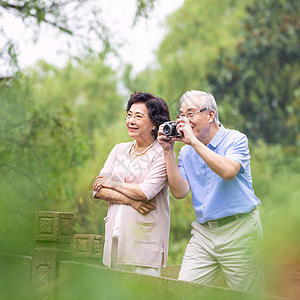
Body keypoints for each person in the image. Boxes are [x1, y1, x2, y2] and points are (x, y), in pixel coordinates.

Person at [157, 90, 264, 292]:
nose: (184, 120)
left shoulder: (235, 139)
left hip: (239, 230)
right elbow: (179, 192)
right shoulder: (186, 151)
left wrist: (194, 142)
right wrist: (168, 151)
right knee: (183, 292)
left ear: (210, 115)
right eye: (181, 115)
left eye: (191, 114)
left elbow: (228, 171)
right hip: (204, 233)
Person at [93, 91, 171, 276]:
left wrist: (112, 183)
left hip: (145, 245)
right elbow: (98, 190)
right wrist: (131, 201)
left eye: (138, 116)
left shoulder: (162, 153)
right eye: (129, 115)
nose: (131, 120)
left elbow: (145, 192)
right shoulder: (119, 149)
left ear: (154, 124)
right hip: (115, 240)